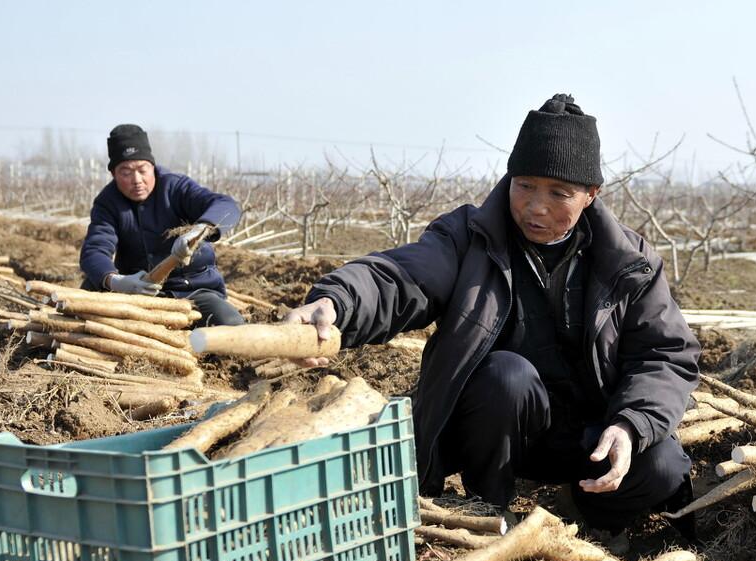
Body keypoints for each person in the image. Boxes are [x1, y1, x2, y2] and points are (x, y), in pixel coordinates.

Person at [285, 95, 700, 535]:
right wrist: (337, 302)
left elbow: (666, 352)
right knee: (507, 374)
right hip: (497, 427)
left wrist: (630, 424)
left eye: (559, 193)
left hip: (590, 434)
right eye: (525, 186)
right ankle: (489, 507)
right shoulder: (471, 238)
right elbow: (402, 276)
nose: (537, 207)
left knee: (662, 464)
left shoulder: (628, 261)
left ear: (590, 195)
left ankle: (592, 518)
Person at [79, 124, 245, 327]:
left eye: (142, 169)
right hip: (139, 292)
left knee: (230, 324)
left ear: (152, 167)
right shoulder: (108, 202)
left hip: (190, 290)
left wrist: (200, 230)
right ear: (113, 174)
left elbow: (226, 205)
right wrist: (116, 281)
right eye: (126, 172)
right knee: (86, 300)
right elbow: (94, 250)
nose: (137, 180)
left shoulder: (175, 187)